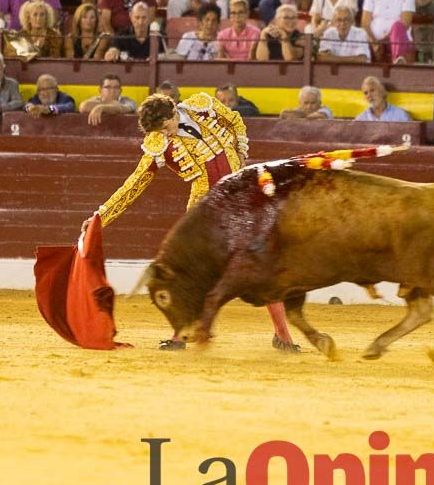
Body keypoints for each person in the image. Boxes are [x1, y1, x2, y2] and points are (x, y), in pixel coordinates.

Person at [92, 90, 299, 351]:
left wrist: (242, 150)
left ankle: (283, 336)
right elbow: (136, 182)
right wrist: (102, 215)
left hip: (242, 202)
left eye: (167, 127)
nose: (166, 134)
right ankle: (180, 335)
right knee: (195, 274)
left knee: (262, 266)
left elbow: (235, 120)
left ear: (173, 113)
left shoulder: (203, 105)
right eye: (161, 131)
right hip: (204, 211)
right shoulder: (159, 142)